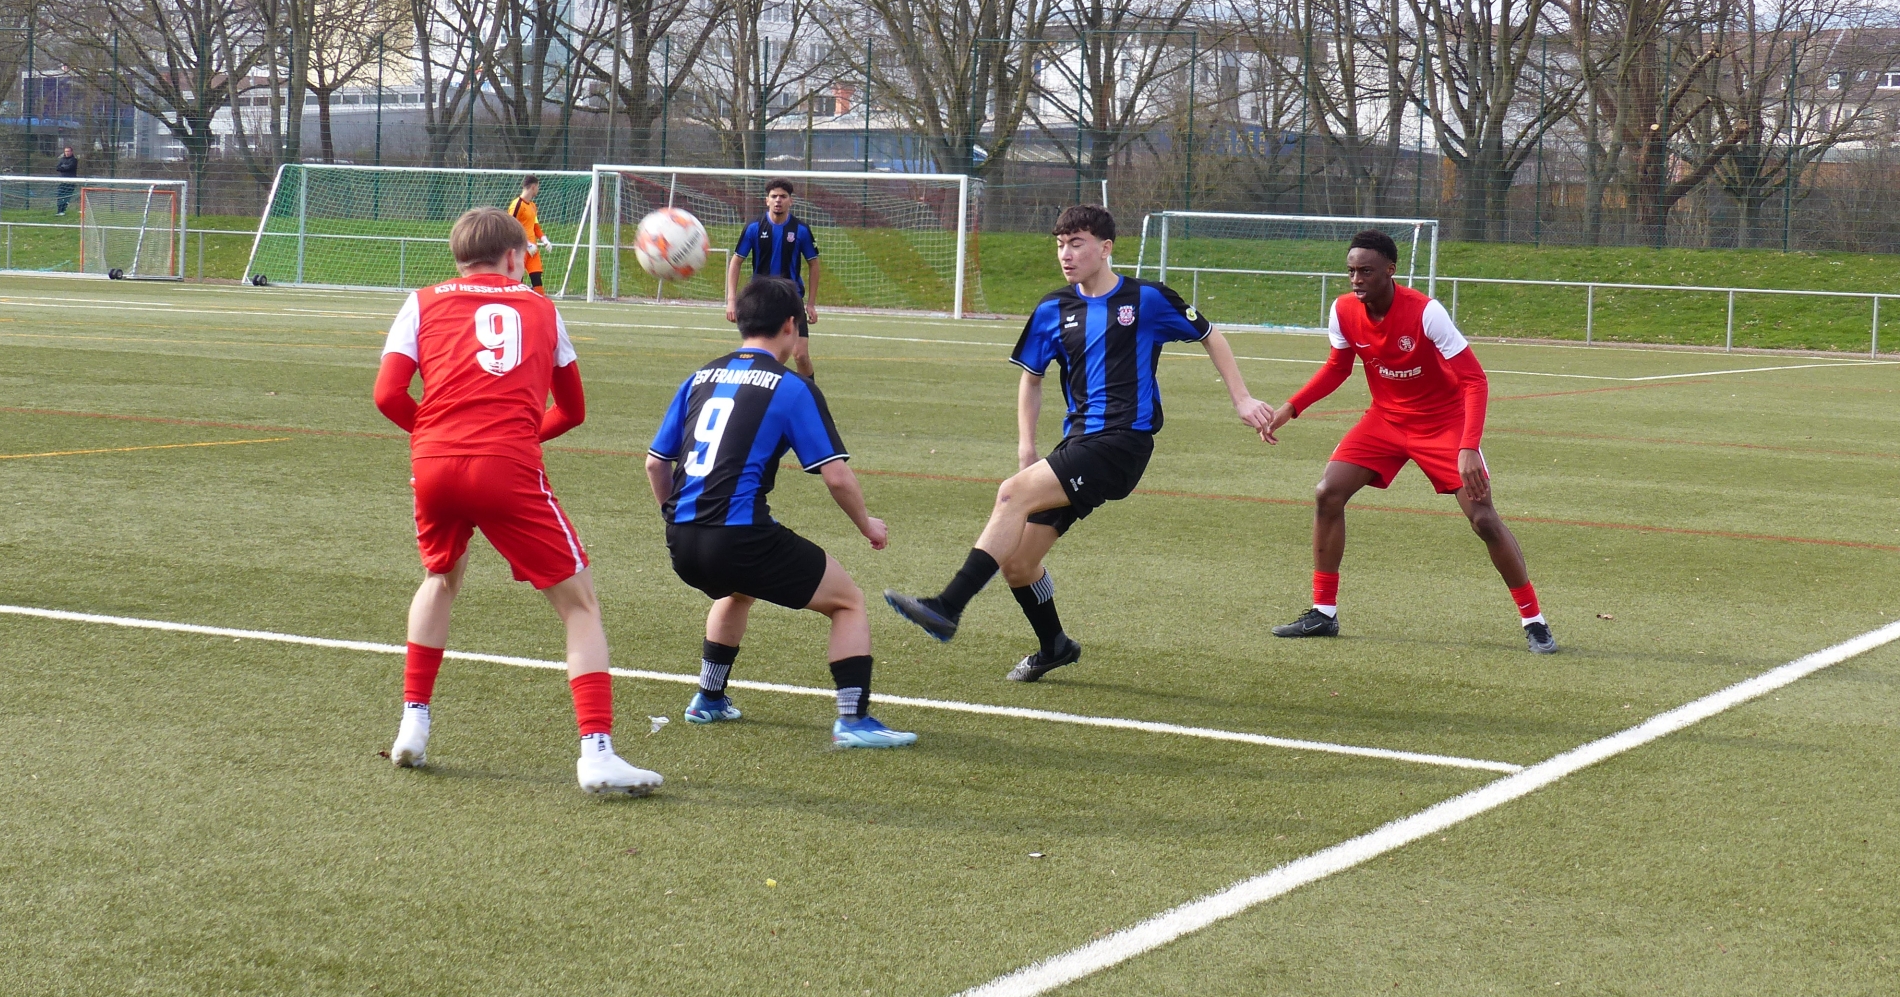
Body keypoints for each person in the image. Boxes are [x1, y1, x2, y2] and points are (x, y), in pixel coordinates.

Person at [884, 204, 1274, 681]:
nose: (1065, 255)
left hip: (1123, 443)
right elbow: (1031, 378)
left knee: (1010, 494)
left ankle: (946, 606)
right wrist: (1027, 449)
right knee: (1021, 563)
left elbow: (1211, 335)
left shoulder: (1147, 298)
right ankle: (1055, 646)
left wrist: (1242, 398)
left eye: (1077, 244)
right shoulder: (1053, 308)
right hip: (1077, 445)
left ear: (1105, 248)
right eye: (1060, 245)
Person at [372, 207, 661, 796]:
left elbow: (387, 394)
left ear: (457, 257)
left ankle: (414, 723)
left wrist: (433, 437)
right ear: (514, 258)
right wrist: (517, 438)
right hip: (505, 464)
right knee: (579, 605)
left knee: (439, 578)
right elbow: (574, 410)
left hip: (432, 465)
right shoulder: (542, 307)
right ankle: (597, 750)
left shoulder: (421, 300)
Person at [647, 275, 915, 749]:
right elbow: (835, 476)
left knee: (736, 590)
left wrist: (674, 519)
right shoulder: (791, 388)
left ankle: (709, 699)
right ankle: (854, 720)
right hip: (739, 538)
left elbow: (655, 463)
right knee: (848, 601)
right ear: (791, 326)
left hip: (682, 541)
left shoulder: (700, 377)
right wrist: (868, 524)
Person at [1260, 229, 1557, 653]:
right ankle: (1323, 613)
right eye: (1351, 271)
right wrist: (1291, 407)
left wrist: (1468, 447)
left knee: (1484, 520)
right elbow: (1337, 368)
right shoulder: (1343, 310)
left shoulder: (1426, 312)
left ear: (1390, 270)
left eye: (1366, 271)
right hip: (1384, 421)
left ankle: (1535, 621)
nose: (1356, 280)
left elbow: (1474, 379)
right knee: (1328, 493)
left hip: (1444, 425)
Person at [725, 179, 821, 381]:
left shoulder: (800, 230)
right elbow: (735, 262)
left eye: (783, 197)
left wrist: (811, 303)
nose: (778, 200)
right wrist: (731, 301)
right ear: (766, 200)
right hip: (762, 300)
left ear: (790, 201)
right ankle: (760, 395)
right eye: (774, 196)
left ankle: (810, 396)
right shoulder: (753, 228)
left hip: (791, 299)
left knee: (801, 355)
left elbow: (814, 264)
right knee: (767, 356)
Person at [507, 174, 550, 291]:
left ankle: (538, 306)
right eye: (538, 187)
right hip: (520, 248)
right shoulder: (517, 204)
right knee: (517, 284)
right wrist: (525, 243)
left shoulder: (533, 206)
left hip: (532, 250)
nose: (538, 190)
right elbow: (510, 227)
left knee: (537, 281)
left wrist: (544, 239)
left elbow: (535, 226)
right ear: (533, 187)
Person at [55, 146, 79, 216]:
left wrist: (63, 167)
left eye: (68, 151)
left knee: (67, 196)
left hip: (70, 181)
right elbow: (57, 168)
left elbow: (70, 167)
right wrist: (64, 167)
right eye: (66, 151)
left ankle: (63, 210)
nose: (67, 153)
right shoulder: (62, 159)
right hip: (62, 181)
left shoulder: (74, 160)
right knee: (60, 195)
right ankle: (59, 211)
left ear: (71, 152)